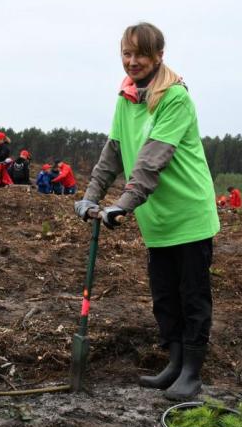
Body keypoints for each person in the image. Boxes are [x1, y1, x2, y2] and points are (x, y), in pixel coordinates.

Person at [74, 22, 219, 400]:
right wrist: (90, 196)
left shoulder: (175, 98)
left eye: (140, 54)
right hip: (156, 219)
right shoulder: (125, 98)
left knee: (193, 295)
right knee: (164, 295)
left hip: (188, 215)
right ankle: (173, 363)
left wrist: (123, 203)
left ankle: (192, 372)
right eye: (126, 53)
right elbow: (113, 153)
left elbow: (152, 159)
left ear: (158, 56)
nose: (132, 61)